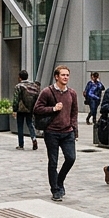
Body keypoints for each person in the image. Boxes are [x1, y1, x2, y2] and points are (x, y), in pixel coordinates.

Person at [34, 65, 79, 201]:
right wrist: (53, 109)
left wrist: (74, 129)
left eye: (67, 75)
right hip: (52, 132)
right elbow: (37, 109)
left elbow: (74, 112)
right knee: (53, 161)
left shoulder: (72, 93)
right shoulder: (47, 92)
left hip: (67, 132)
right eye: (63, 75)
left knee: (71, 158)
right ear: (56, 76)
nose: (65, 77)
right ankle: (55, 189)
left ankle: (60, 180)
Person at [14, 70, 41, 150]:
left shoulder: (19, 86)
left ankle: (21, 144)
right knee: (30, 124)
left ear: (20, 77)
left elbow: (16, 99)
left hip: (21, 109)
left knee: (20, 126)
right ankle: (34, 138)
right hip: (30, 108)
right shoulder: (34, 86)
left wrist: (14, 109)